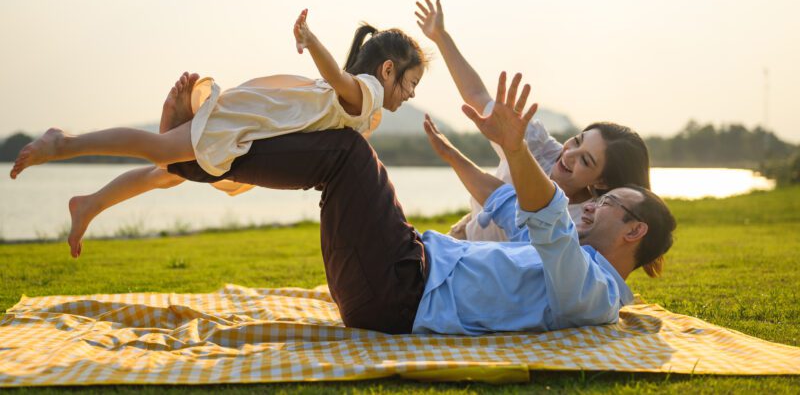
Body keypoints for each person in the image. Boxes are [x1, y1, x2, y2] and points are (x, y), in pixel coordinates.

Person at [166, 71, 676, 335]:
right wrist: (453, 152)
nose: (591, 207)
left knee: (348, 153)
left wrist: (517, 149)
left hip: (400, 290)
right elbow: (507, 205)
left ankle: (193, 155)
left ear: (634, 232)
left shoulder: (591, 293)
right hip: (401, 271)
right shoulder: (573, 264)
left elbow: (550, 229)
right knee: (344, 151)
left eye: (609, 205)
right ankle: (196, 153)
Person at [10, 10, 427, 257]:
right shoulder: (370, 91)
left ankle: (89, 205)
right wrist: (310, 39)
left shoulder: (367, 108)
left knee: (165, 172)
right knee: (159, 151)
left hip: (250, 124)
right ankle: (62, 142)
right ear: (387, 70)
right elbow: (335, 74)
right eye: (410, 83)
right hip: (242, 123)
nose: (410, 94)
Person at [414, 0, 651, 243]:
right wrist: (440, 36)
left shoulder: (587, 219)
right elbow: (476, 95)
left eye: (586, 160)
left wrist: (452, 155)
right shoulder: (539, 147)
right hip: (462, 239)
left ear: (601, 180)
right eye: (577, 141)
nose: (570, 154)